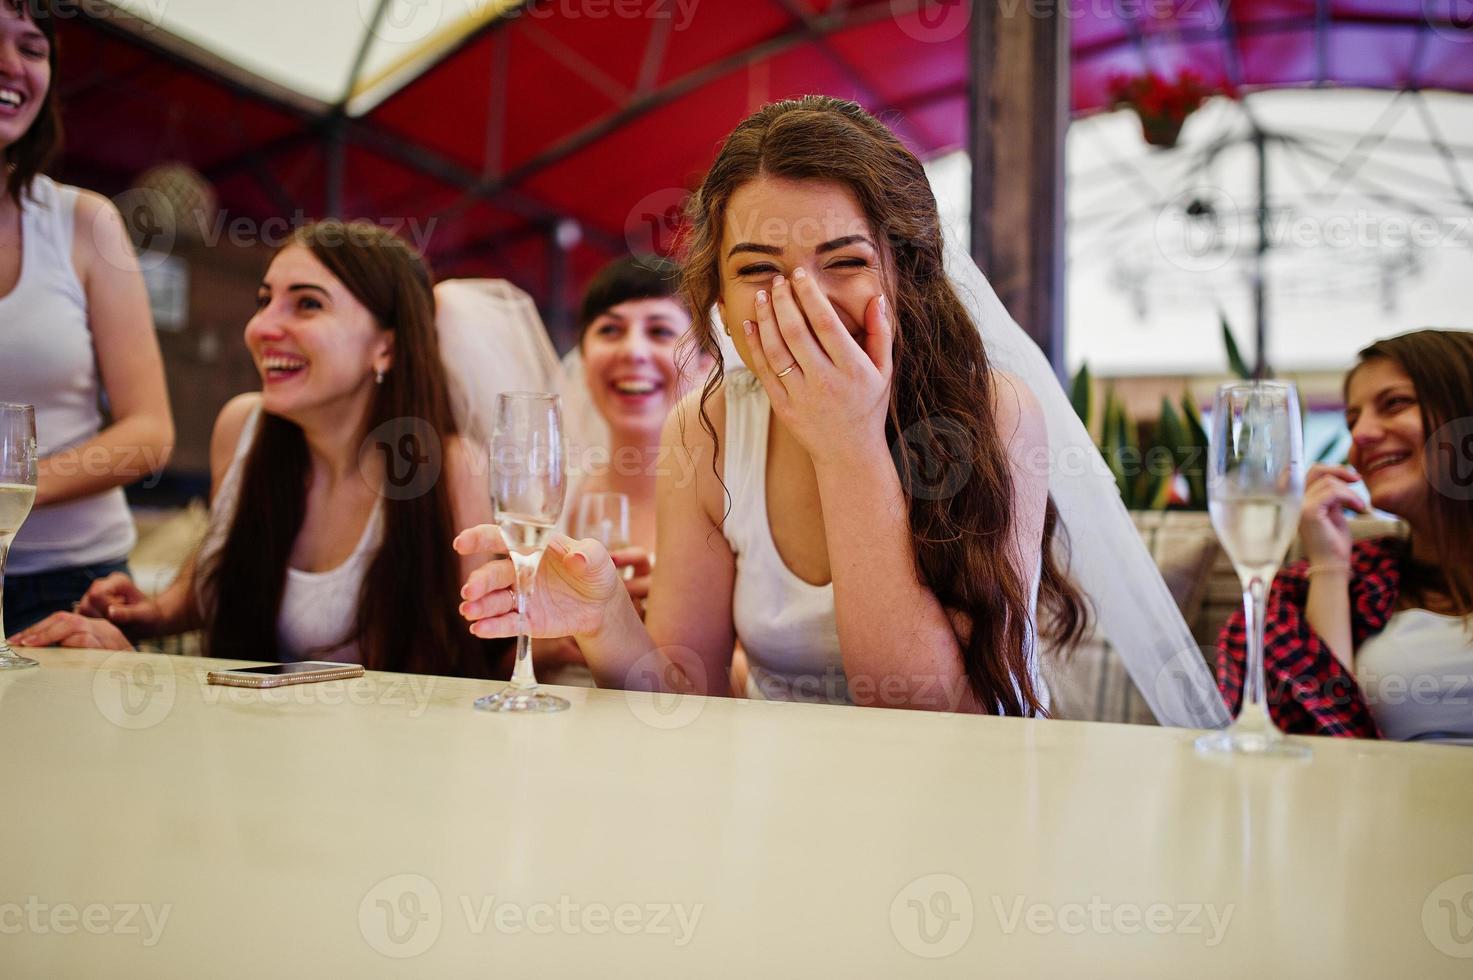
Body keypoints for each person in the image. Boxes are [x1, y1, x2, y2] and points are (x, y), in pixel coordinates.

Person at [457, 96, 1091, 713]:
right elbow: (687, 701)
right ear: (720, 304)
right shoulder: (706, 429)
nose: (801, 305)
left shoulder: (996, 414)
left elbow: (934, 717)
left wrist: (848, 444)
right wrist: (605, 619)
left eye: (844, 261)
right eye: (758, 270)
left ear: (909, 275)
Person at [13, 221, 504, 678]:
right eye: (264, 300)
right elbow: (227, 581)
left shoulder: (451, 468)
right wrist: (150, 612)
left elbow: (467, 662)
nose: (261, 328)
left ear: (387, 348)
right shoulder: (241, 427)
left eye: (307, 304)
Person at [0, 0, 173, 632]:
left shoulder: (86, 223)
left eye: (32, 47)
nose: (10, 65)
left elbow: (150, 431)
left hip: (70, 581)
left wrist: (14, 491)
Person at [1216, 329, 1473, 743]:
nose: (1361, 435)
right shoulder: (1368, 584)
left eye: (1395, 404)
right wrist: (1330, 563)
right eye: (1352, 421)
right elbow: (1327, 735)